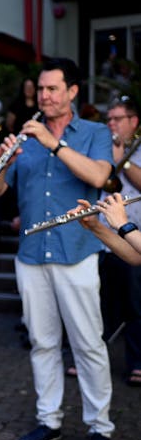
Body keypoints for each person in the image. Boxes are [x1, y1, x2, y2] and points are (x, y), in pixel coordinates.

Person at [0, 57, 116, 440]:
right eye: (41, 89)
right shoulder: (24, 140)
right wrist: (0, 166)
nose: (44, 96)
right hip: (31, 254)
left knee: (88, 343)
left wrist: (52, 143)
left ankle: (100, 427)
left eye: (53, 88)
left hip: (77, 252)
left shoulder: (94, 132)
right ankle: (49, 420)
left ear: (72, 92)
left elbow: (97, 177)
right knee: (42, 343)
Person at [94, 96, 141, 387]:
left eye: (117, 119)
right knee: (100, 302)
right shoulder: (101, 148)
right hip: (105, 238)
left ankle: (137, 362)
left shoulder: (135, 150)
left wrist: (121, 160)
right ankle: (93, 361)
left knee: (137, 305)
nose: (111, 123)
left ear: (133, 121)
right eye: (108, 119)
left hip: (135, 236)